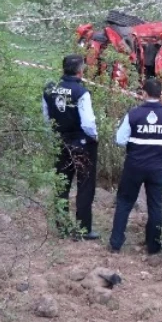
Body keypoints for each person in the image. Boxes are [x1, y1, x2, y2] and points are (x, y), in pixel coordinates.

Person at [110, 78, 162, 254]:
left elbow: (120, 140)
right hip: (157, 167)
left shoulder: (133, 114)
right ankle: (154, 246)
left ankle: (116, 243)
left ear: (143, 93)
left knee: (124, 203)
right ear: (161, 95)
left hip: (133, 166)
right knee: (155, 206)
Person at [43, 54, 100, 240]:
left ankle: (62, 226)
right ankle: (83, 229)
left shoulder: (49, 90)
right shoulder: (81, 92)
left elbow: (45, 118)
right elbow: (88, 122)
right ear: (80, 71)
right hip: (81, 144)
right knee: (84, 185)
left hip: (59, 141)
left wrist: (52, 136)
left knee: (62, 184)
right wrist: (94, 138)